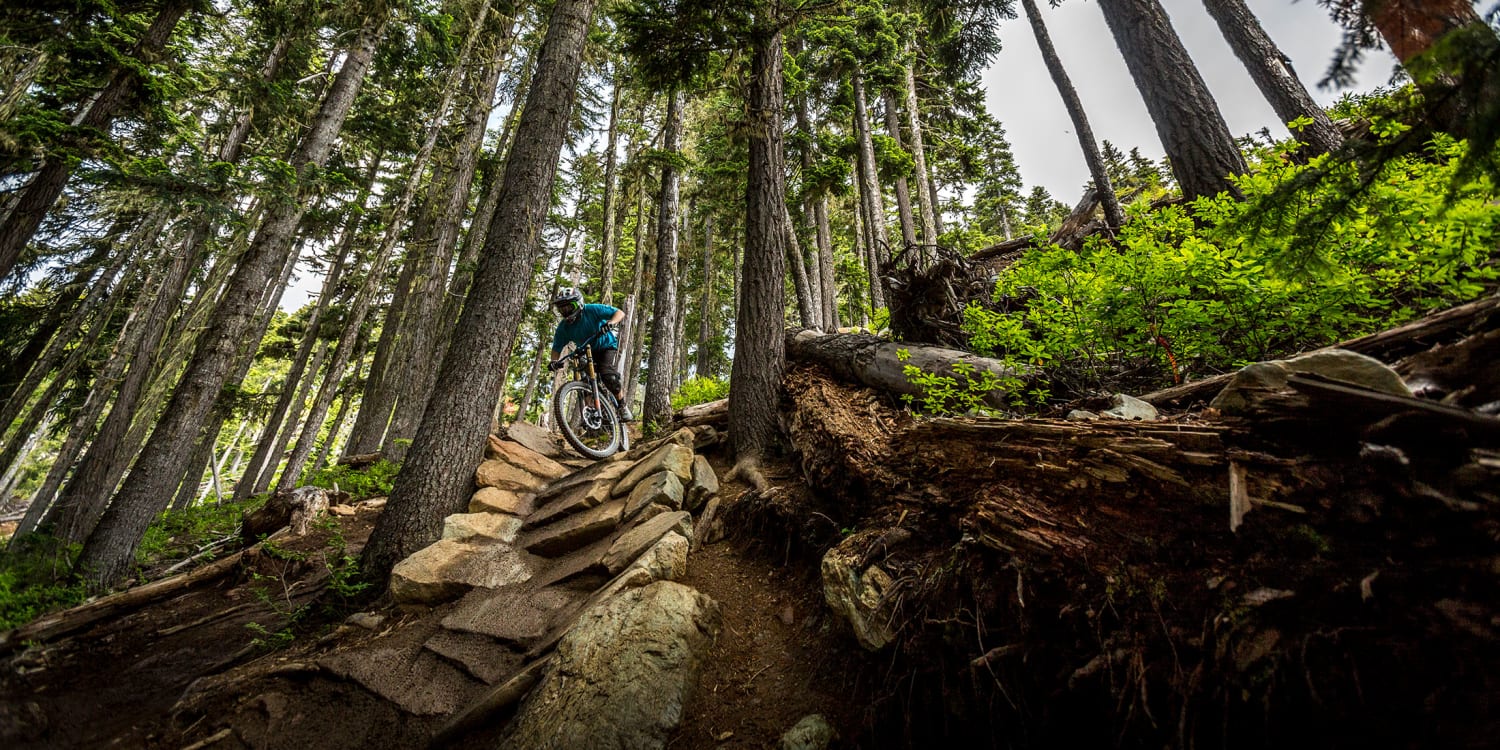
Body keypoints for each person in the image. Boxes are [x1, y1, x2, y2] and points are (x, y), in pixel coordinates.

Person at [547, 287, 633, 421]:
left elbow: (619, 313)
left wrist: (611, 323)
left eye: (569, 307)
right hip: (586, 351)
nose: (565, 311)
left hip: (606, 347)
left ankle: (622, 406)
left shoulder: (592, 309)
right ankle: (593, 412)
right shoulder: (563, 328)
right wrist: (554, 362)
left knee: (608, 376)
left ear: (579, 303)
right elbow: (556, 348)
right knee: (585, 381)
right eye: (562, 309)